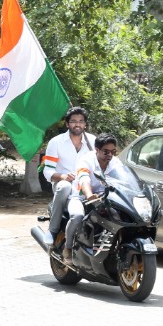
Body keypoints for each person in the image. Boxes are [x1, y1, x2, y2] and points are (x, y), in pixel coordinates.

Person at [63, 133, 129, 260]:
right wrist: (89, 195)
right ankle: (68, 247)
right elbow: (83, 179)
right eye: (106, 152)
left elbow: (124, 180)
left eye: (113, 152)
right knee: (77, 216)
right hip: (80, 197)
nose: (109, 155)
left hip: (104, 199)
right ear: (97, 150)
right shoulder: (86, 160)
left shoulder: (115, 162)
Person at [43, 106, 95, 240]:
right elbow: (48, 171)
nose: (77, 124)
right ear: (67, 124)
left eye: (81, 121)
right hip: (63, 185)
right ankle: (53, 230)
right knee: (64, 186)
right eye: (73, 121)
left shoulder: (93, 142)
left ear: (85, 124)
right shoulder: (56, 142)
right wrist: (63, 177)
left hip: (85, 185)